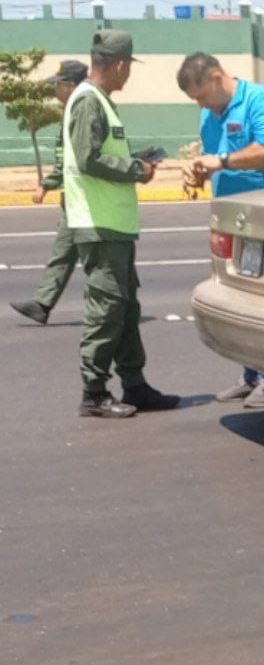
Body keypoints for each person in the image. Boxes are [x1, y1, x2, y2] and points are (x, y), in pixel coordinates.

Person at [64, 30, 178, 419]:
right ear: (118, 64)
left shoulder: (102, 102)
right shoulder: (88, 102)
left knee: (126, 308)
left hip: (115, 225)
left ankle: (135, 385)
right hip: (98, 225)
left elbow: (100, 155)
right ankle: (93, 393)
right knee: (106, 309)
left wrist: (136, 162)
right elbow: (87, 158)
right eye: (128, 67)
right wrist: (134, 169)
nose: (128, 75)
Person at [177, 52, 264, 409]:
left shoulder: (260, 100)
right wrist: (200, 171)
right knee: (240, 297)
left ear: (216, 78)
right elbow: (214, 156)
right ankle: (251, 375)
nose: (200, 104)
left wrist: (224, 161)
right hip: (232, 217)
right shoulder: (209, 113)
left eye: (200, 95)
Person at [10, 60, 90, 326]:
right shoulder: (71, 111)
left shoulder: (82, 111)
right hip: (74, 198)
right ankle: (42, 305)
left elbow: (77, 158)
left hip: (87, 199)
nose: (55, 91)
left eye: (58, 85)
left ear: (69, 85)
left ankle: (120, 306)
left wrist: (46, 183)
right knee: (63, 252)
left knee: (101, 261)